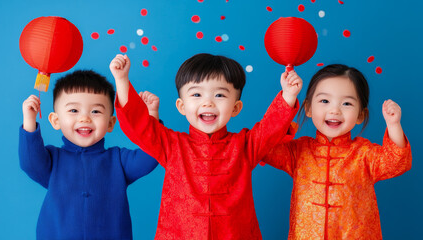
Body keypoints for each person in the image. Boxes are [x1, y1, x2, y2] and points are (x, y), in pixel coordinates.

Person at [110, 53, 302, 239]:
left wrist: (288, 94)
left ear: (235, 108)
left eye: (219, 94)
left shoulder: (245, 145)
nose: (208, 102)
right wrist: (122, 79)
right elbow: (138, 126)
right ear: (181, 106)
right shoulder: (171, 145)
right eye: (196, 94)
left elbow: (271, 128)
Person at [262, 64, 412, 240]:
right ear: (308, 108)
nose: (335, 110)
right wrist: (288, 97)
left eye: (347, 103)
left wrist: (394, 125)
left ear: (360, 116)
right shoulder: (298, 151)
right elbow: (265, 145)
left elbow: (396, 162)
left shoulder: (364, 153)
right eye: (324, 101)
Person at [19, 70, 159, 240]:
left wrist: (151, 117)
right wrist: (29, 120)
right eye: (73, 110)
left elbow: (150, 156)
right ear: (56, 120)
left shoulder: (119, 160)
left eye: (95, 112)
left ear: (110, 123)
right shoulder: (52, 159)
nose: (84, 118)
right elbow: (30, 163)